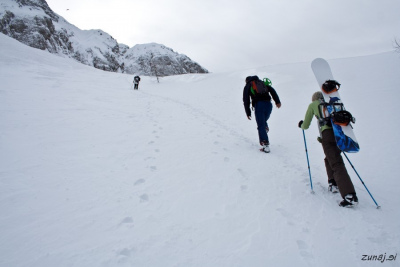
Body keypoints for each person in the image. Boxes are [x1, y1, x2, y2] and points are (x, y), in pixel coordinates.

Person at [298, 91, 358, 207]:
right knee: (329, 158)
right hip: (339, 135)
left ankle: (349, 195)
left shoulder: (313, 105)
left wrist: (301, 125)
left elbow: (305, 125)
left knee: (336, 163)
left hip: (327, 135)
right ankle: (333, 182)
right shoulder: (331, 104)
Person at [243, 75, 281, 152]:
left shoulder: (248, 85)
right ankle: (265, 127)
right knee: (263, 121)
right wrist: (277, 101)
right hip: (269, 104)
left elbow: (246, 99)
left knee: (260, 124)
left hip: (259, 105)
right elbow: (272, 90)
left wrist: (248, 112)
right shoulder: (262, 82)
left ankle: (265, 145)